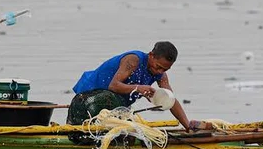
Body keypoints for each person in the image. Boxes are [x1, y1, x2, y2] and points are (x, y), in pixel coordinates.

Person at [67, 41, 195, 132]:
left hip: (112, 104)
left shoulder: (160, 75)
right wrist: (138, 88)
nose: (160, 72)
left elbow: (171, 100)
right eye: (158, 67)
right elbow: (114, 85)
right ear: (151, 55)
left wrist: (188, 126)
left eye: (165, 69)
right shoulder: (133, 60)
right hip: (90, 97)